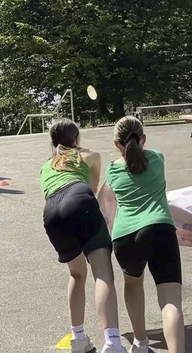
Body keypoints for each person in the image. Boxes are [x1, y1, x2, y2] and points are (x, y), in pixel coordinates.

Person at [40, 118, 126, 353]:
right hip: (78, 197)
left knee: (77, 274)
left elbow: (56, 196)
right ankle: (112, 342)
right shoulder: (90, 157)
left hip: (51, 212)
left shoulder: (46, 166)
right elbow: (93, 191)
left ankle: (78, 338)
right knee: (103, 273)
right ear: (76, 139)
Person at [106, 116, 185, 353]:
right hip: (158, 229)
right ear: (144, 139)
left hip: (124, 237)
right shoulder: (158, 159)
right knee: (170, 302)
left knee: (132, 284)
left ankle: (140, 341)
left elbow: (107, 201)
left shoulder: (112, 171)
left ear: (116, 144)